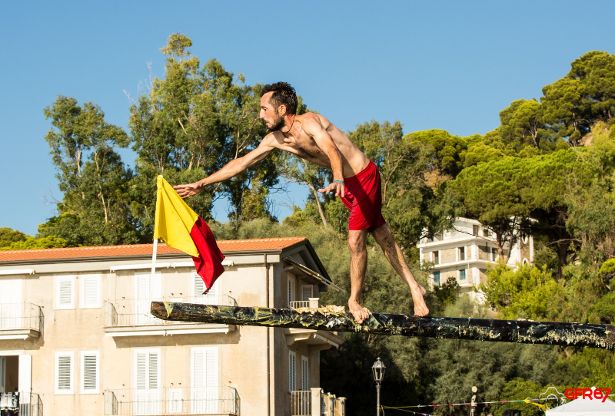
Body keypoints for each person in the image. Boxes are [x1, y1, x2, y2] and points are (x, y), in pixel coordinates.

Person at [174, 82, 429, 323]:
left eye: (264, 109)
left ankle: (355, 301)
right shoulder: (275, 139)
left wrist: (338, 178)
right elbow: (242, 162)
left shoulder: (309, 123)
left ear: (282, 109)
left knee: (355, 240)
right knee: (383, 237)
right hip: (345, 186)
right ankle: (415, 288)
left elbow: (331, 149)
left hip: (362, 178)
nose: (260, 115)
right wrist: (202, 183)